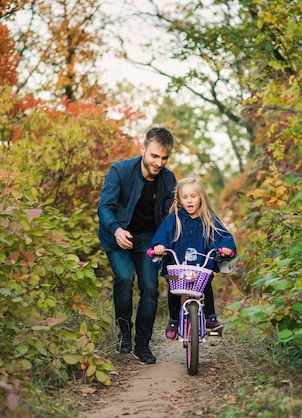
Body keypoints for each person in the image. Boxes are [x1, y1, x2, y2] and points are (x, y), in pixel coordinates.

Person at [97, 127, 177, 364]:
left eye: (164, 158)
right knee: (123, 278)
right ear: (143, 149)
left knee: (150, 288)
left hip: (148, 239)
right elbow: (105, 206)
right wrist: (116, 229)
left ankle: (142, 344)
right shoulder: (119, 171)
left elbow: (169, 216)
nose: (159, 162)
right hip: (117, 234)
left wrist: (168, 242)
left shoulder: (169, 179)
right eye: (154, 156)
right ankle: (124, 333)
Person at [150, 177, 236, 340]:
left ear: (201, 197)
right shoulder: (174, 219)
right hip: (177, 266)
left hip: (200, 266)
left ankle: (210, 317)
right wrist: (159, 246)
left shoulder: (209, 219)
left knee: (206, 284)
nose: (189, 200)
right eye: (185, 197)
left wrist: (226, 248)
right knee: (173, 286)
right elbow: (162, 235)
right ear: (179, 200)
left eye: (193, 196)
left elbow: (223, 236)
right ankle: (174, 320)